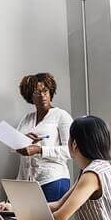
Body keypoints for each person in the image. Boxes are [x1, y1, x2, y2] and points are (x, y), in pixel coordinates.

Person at [1, 115, 111, 220]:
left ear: (74, 144)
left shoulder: (92, 174)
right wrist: (15, 208)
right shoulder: (93, 169)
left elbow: (60, 218)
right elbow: (59, 204)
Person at [15, 73, 72, 201]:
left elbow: (70, 151)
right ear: (30, 95)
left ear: (50, 92)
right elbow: (14, 145)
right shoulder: (27, 118)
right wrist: (24, 141)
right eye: (37, 92)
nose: (42, 95)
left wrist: (40, 150)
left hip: (53, 179)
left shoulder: (61, 116)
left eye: (45, 91)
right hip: (28, 183)